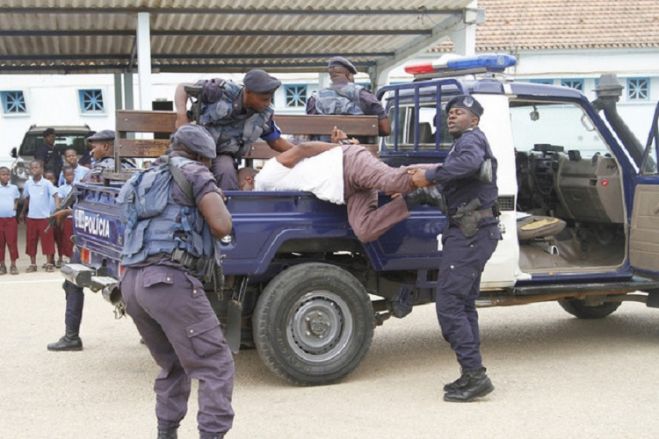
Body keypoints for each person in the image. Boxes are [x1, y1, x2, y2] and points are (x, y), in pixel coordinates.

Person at [119, 125, 234, 439]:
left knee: (172, 363)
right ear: (200, 155)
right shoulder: (196, 173)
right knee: (215, 364)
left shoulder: (143, 177)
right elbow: (222, 226)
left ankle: (165, 433)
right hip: (169, 282)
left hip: (131, 282)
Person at [412, 95, 500, 403]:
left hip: (471, 235)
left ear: (474, 119)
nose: (451, 116)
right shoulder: (463, 143)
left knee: (448, 303)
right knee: (463, 305)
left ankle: (475, 375)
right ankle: (472, 373)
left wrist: (431, 175)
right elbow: (458, 181)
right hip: (472, 232)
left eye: (459, 112)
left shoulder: (471, 142)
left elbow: (468, 164)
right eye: (449, 113)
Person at [255, 128, 428, 242]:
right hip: (348, 189)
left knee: (393, 181)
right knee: (364, 231)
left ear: (248, 180)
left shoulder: (264, 178)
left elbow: (304, 148)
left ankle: (444, 170)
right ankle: (416, 199)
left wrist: (342, 146)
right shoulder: (269, 186)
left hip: (347, 162)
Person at [46, 137, 136, 352]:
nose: (92, 150)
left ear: (106, 147)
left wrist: (71, 211)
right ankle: (149, 333)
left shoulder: (97, 172)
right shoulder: (133, 169)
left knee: (72, 282)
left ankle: (71, 337)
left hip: (99, 238)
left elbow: (92, 203)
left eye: (95, 146)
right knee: (136, 288)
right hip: (122, 239)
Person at [174, 69, 295, 190]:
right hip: (194, 150)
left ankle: (225, 207)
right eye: (264, 99)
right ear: (248, 92)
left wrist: (302, 152)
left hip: (221, 155)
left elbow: (276, 141)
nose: (267, 104)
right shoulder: (218, 91)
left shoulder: (262, 115)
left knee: (225, 170)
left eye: (270, 99)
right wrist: (181, 116)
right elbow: (182, 88)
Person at [306, 56, 391, 141]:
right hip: (358, 151)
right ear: (349, 75)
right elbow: (385, 129)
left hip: (325, 152)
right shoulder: (364, 95)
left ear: (331, 76)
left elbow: (309, 130)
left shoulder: (315, 98)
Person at [20, 160, 57, 272]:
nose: (34, 170)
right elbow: (26, 198)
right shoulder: (28, 183)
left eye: (36, 167)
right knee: (31, 241)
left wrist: (57, 209)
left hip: (45, 218)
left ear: (42, 169)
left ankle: (49, 263)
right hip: (31, 217)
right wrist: (22, 212)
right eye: (32, 168)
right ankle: (33, 264)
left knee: (47, 241)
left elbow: (56, 195)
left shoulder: (46, 183)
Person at [53, 167, 75, 267]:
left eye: (71, 174)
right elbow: (61, 202)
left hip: (78, 217)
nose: (70, 176)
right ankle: (67, 257)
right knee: (67, 238)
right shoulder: (62, 188)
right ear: (64, 176)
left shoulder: (78, 186)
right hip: (68, 217)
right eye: (67, 175)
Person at [0, 167, 20, 275]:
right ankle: (2, 265)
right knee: (0, 244)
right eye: (3, 174)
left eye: (7, 174)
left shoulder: (14, 188)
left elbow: (16, 198)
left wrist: (15, 207)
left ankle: (13, 265)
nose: (5, 176)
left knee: (12, 243)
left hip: (10, 220)